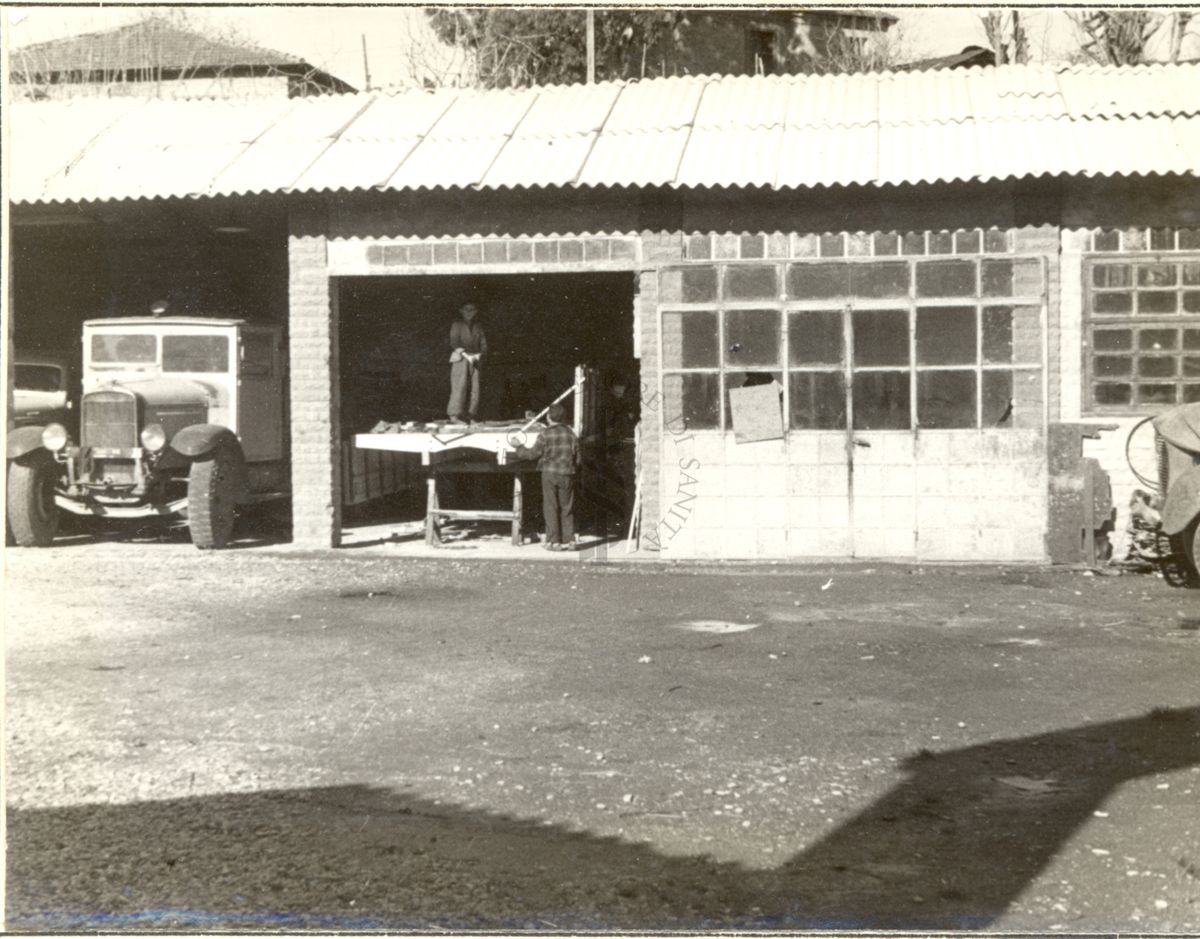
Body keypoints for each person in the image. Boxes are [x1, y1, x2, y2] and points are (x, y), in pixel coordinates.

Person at [510, 403, 579, 551]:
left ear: (548, 417)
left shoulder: (545, 434)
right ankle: (570, 541)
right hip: (567, 474)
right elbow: (578, 459)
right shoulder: (571, 434)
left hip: (549, 473)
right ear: (563, 417)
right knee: (567, 507)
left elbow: (531, 454)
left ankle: (554, 542)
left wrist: (518, 446)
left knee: (550, 506)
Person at [447, 302, 487, 422]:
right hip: (461, 358)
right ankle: (454, 415)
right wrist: (465, 355)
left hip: (475, 358)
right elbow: (454, 342)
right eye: (466, 310)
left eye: (472, 310)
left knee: (475, 387)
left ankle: (471, 415)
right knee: (460, 385)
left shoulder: (478, 326)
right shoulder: (457, 324)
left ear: (476, 312)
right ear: (461, 311)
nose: (469, 312)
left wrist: (480, 354)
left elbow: (484, 344)